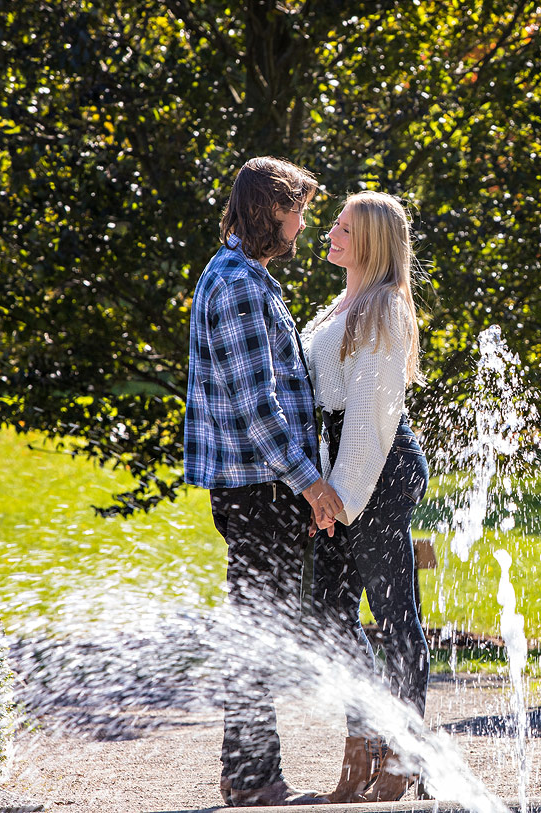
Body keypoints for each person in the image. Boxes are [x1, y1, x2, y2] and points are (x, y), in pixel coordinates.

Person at [184, 156, 344, 807]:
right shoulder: (240, 286)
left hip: (261, 487)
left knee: (261, 627)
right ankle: (255, 781)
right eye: (299, 209)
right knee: (260, 631)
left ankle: (244, 772)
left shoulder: (249, 278)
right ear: (271, 209)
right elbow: (259, 410)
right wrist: (312, 484)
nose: (304, 224)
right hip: (259, 489)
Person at [302, 191, 431, 804]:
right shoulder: (343, 302)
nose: (330, 233)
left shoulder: (381, 308)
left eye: (344, 228)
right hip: (342, 469)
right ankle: (367, 741)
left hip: (376, 466)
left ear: (372, 241)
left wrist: (340, 496)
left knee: (394, 614)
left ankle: (404, 754)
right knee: (326, 612)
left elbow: (372, 415)